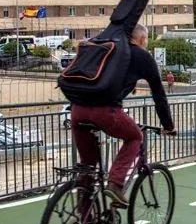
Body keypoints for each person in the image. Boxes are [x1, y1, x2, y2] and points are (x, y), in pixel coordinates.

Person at [70, 24, 176, 208]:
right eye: (147, 41)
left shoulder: (106, 48)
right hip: (105, 111)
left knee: (88, 166)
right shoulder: (142, 56)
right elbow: (159, 95)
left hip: (77, 109)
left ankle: (84, 223)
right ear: (142, 39)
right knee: (135, 136)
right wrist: (168, 126)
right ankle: (116, 183)